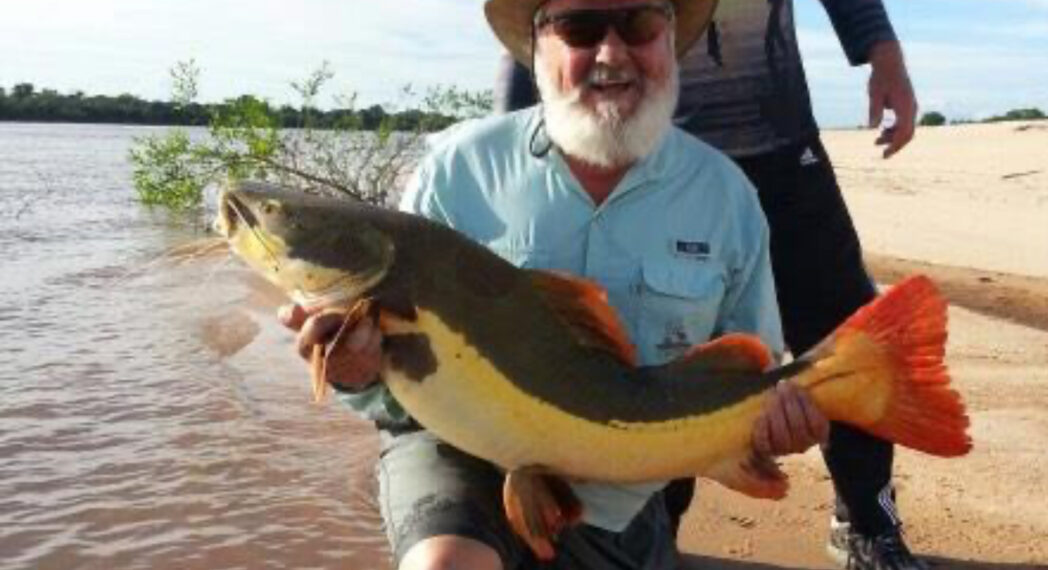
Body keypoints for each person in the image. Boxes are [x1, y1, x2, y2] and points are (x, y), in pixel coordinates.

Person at [279, 0, 831, 568]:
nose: (612, 54)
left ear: (669, 40)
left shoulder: (726, 195)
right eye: (580, 28)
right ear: (537, 48)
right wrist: (355, 373)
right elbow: (392, 395)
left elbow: (751, 370)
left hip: (620, 490)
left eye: (639, 25)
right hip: (458, 455)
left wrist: (779, 424)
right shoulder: (456, 170)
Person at [494, 1, 924, 569]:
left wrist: (884, 56)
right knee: (665, 350)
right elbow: (553, 17)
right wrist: (512, 129)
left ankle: (868, 519)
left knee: (846, 335)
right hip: (655, 153)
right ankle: (654, 529)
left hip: (778, 138)